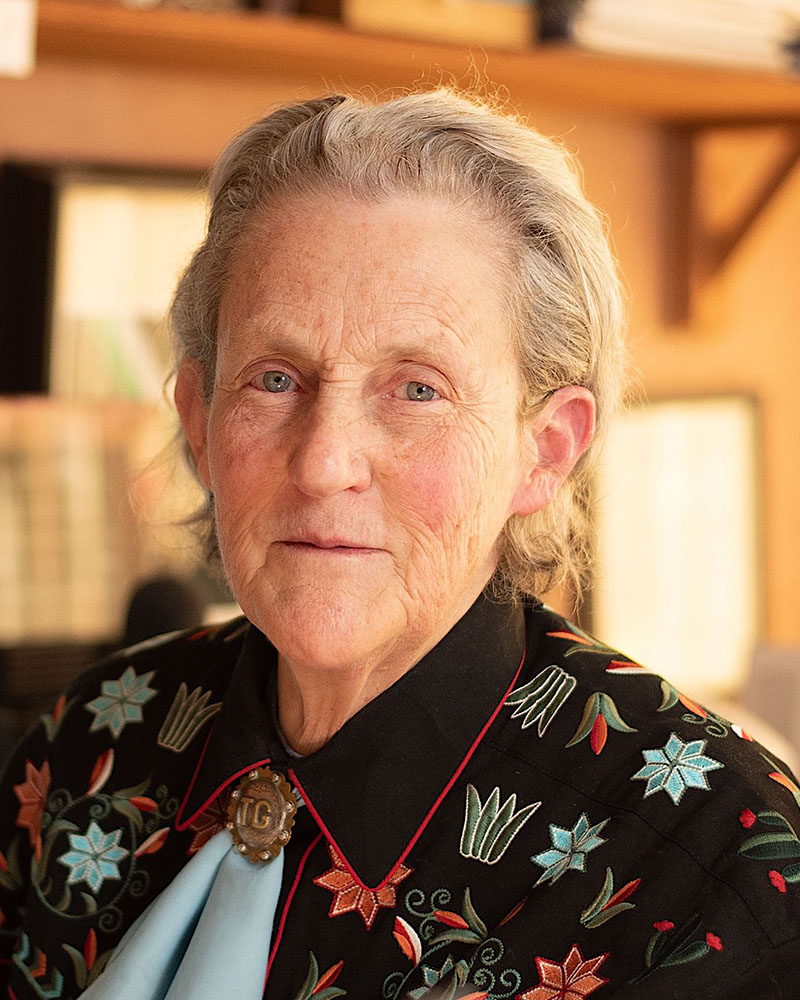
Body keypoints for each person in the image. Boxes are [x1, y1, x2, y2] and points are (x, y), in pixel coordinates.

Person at [1, 89, 798, 1000]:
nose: (325, 462)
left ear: (545, 450)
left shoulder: (717, 868)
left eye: (417, 390)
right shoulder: (91, 743)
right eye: (273, 379)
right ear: (197, 418)